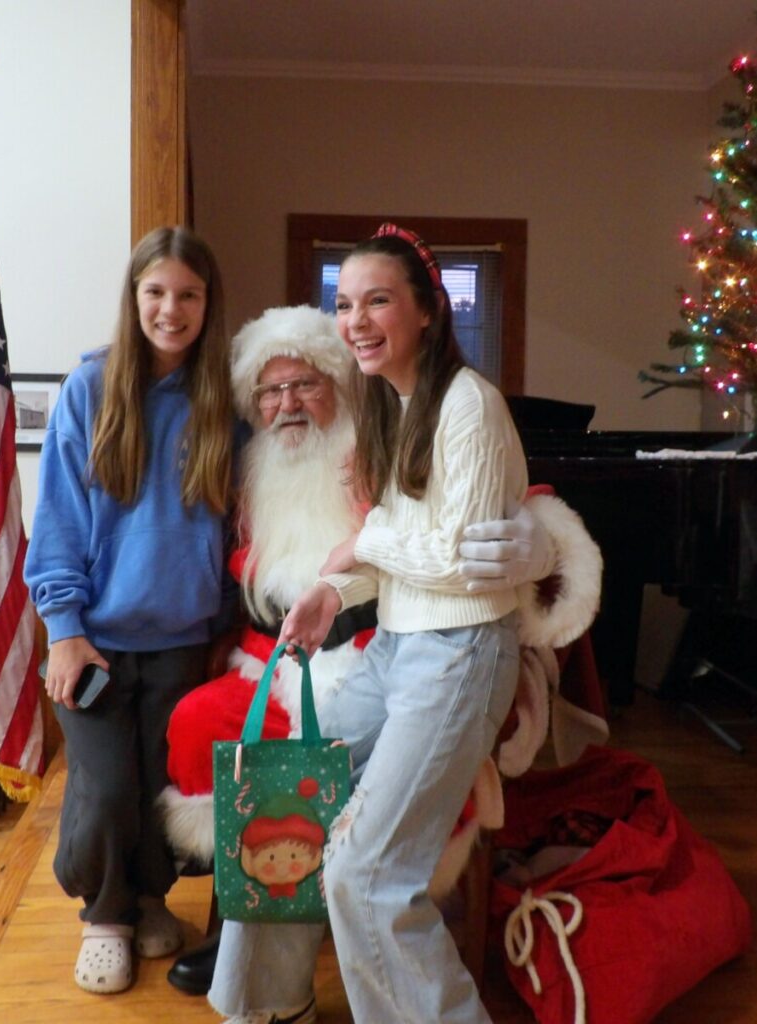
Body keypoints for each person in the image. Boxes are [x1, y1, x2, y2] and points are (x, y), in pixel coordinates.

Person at [161, 303, 603, 1001]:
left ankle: (359, 905)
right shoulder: (247, 470)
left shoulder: (393, 435)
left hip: (381, 647)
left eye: (304, 384)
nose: (286, 404)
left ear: (337, 384)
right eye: (271, 391)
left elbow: (497, 503)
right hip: (273, 662)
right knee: (200, 722)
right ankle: (253, 899)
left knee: (360, 795)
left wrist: (540, 542)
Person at [23, 226, 241, 995]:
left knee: (158, 787)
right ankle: (105, 917)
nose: (170, 310)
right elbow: (56, 520)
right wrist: (63, 631)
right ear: (133, 297)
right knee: (106, 787)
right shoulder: (90, 389)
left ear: (208, 304)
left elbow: (235, 524)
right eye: (155, 292)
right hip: (94, 639)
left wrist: (223, 629)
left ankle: (149, 899)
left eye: (188, 295)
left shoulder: (223, 400)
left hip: (184, 636)